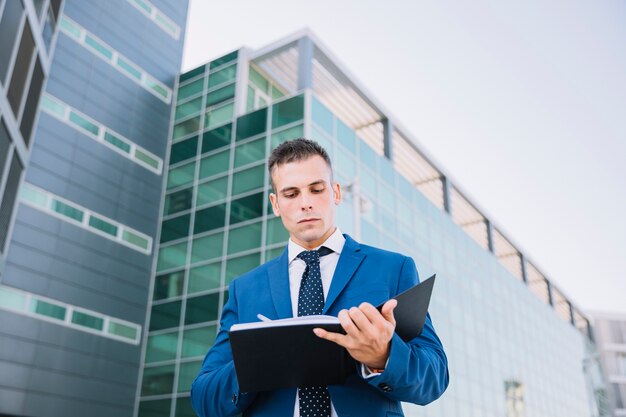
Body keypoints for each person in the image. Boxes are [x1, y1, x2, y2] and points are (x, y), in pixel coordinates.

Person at [191, 138, 448, 417]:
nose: (305, 204)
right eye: (291, 194)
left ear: (335, 192)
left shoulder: (392, 268)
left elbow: (435, 377)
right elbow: (205, 399)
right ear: (276, 204)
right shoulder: (245, 289)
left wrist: (383, 355)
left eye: (316, 189)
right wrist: (258, 361)